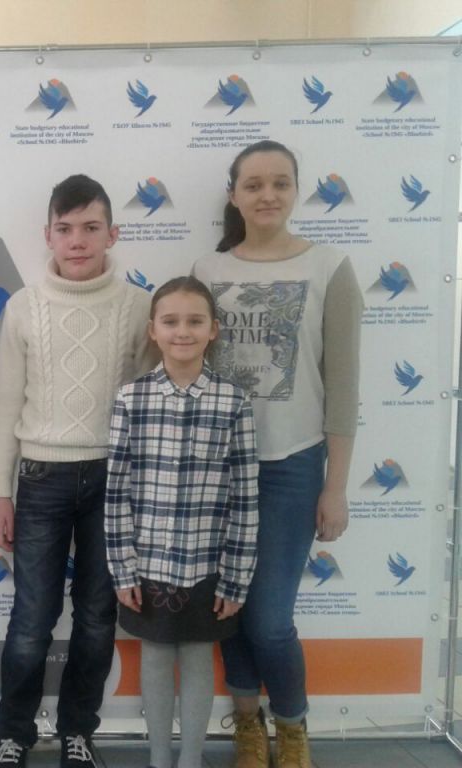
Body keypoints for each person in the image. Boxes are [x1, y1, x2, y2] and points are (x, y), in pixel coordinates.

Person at [192, 140, 362, 768]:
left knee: (268, 619)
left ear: (296, 191)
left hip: (293, 466)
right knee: (228, 611)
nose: (268, 195)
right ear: (234, 195)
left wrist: (335, 487)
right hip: (216, 467)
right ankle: (246, 726)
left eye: (281, 183)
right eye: (254, 184)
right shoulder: (207, 271)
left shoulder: (330, 267)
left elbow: (342, 387)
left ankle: (291, 729)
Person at [0, 174, 155, 768]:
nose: (77, 240)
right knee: (32, 619)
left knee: (97, 618)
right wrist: (0, 493)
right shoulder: (23, 307)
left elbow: (149, 406)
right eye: (65, 229)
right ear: (48, 235)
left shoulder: (140, 307)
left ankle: (78, 730)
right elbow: (8, 404)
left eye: (90, 227)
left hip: (114, 481)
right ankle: (13, 733)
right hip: (41, 480)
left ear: (113, 233)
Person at [105, 277, 259, 768]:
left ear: (213, 330)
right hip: (148, 564)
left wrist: (235, 579)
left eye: (195, 321)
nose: (183, 332)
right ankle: (158, 759)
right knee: (154, 657)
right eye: (170, 321)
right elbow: (116, 492)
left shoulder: (234, 402)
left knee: (196, 659)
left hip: (207, 566)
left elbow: (245, 497)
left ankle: (190, 760)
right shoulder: (131, 399)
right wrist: (123, 570)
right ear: (153, 330)